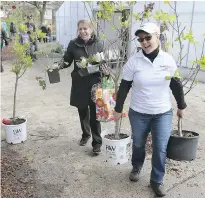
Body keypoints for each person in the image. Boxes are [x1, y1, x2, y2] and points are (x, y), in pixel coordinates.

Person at [113, 22, 187, 197]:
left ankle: (157, 180)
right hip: (139, 112)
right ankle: (137, 166)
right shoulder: (134, 61)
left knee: (160, 147)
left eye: (148, 38)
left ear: (157, 37)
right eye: (141, 39)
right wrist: (118, 108)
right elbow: (124, 86)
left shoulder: (167, 60)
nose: (144, 42)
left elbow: (176, 84)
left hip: (162, 112)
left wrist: (181, 105)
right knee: (138, 143)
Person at [59, 19, 109, 154]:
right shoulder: (73, 44)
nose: (83, 31)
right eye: (80, 29)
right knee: (82, 111)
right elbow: (67, 61)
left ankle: (97, 143)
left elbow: (105, 63)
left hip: (95, 83)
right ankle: (85, 134)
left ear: (91, 30)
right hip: (79, 82)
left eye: (85, 28)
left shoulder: (99, 44)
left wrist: (106, 71)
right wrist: (57, 66)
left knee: (95, 114)